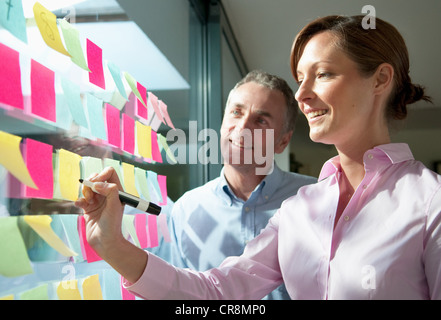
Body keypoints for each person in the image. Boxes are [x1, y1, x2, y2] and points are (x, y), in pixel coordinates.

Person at [75, 15, 441, 299]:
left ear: (380, 80)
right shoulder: (301, 208)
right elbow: (216, 293)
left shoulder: (429, 202)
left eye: (323, 74)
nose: (303, 94)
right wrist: (112, 244)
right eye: (300, 79)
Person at [166, 70, 316, 300]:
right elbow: (176, 295)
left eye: (261, 120)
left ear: (283, 141)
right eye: (236, 112)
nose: (243, 127)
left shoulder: (316, 198)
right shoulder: (186, 210)